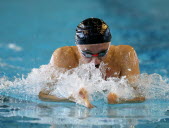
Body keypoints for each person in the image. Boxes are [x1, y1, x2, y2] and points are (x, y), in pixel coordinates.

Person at [39, 18, 145, 108]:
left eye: (102, 53)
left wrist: (118, 99)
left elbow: (140, 95)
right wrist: (71, 97)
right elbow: (43, 95)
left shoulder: (124, 54)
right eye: (87, 54)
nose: (96, 61)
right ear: (78, 48)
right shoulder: (63, 56)